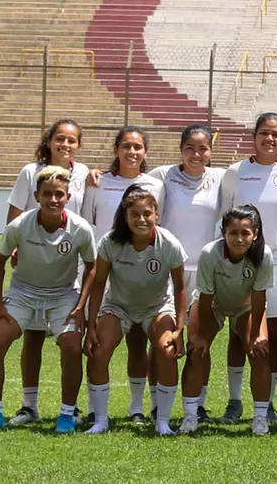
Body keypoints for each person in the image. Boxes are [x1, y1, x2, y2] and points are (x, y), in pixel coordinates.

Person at [0, 167, 96, 434]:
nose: (53, 200)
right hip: (23, 293)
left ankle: (66, 415)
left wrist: (80, 306)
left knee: (72, 347)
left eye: (59, 194)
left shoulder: (80, 228)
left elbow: (93, 267)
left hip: (62, 295)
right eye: (47, 194)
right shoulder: (19, 225)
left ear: (67, 197)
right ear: (36, 196)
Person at [220, 113, 277, 423]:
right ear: (253, 136)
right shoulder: (235, 171)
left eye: (275, 134)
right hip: (241, 261)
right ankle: (234, 401)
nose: (269, 139)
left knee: (273, 333)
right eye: (263, 133)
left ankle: (267, 403)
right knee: (237, 332)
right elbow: (223, 215)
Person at [4, 120, 90, 427]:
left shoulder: (84, 175)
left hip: (72, 268)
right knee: (34, 337)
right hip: (36, 264)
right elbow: (15, 213)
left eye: (71, 140)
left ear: (78, 146)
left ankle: (72, 407)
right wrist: (16, 247)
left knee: (72, 337)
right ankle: (29, 406)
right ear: (50, 141)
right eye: (59, 139)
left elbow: (87, 217)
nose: (65, 145)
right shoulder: (30, 172)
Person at [83, 184, 187, 435]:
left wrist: (180, 328)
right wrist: (90, 326)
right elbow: (98, 284)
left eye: (147, 214)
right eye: (135, 215)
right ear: (125, 216)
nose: (141, 219)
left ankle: (162, 420)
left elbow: (181, 287)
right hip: (119, 307)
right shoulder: (111, 242)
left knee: (166, 350)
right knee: (99, 351)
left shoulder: (169, 243)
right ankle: (100, 420)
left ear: (156, 215)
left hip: (157, 307)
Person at [81, 126, 165, 425]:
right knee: (100, 341)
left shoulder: (155, 183)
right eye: (126, 146)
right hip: (107, 268)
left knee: (140, 342)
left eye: (138, 147)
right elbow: (88, 220)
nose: (132, 152)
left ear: (146, 153)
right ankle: (94, 409)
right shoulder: (97, 181)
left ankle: (137, 406)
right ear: (116, 149)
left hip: (142, 270)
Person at [146, 125, 224, 423]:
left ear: (210, 152)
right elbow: (131, 178)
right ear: (181, 149)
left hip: (204, 273)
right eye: (190, 148)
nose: (196, 154)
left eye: (203, 148)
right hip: (169, 271)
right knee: (163, 340)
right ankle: (157, 404)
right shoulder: (162, 176)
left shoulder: (219, 178)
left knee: (199, 341)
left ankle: (198, 405)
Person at [179, 205, 274, 435]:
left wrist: (256, 335)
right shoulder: (210, 253)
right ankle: (191, 415)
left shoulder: (264, 254)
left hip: (246, 306)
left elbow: (259, 297)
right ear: (223, 233)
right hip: (211, 305)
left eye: (245, 233)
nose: (239, 239)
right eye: (233, 233)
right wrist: (201, 336)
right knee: (196, 349)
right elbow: (205, 297)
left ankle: (260, 418)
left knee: (260, 350)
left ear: (256, 234)